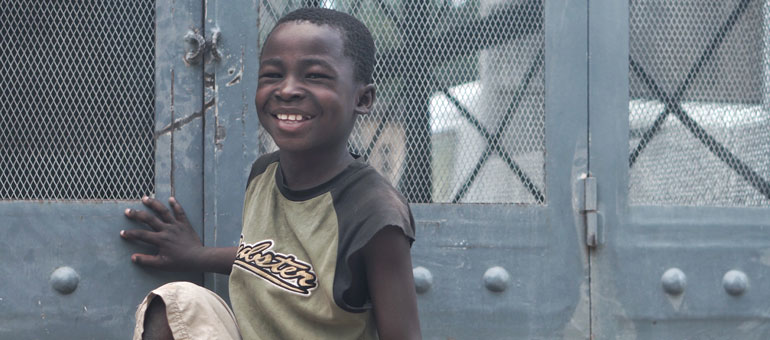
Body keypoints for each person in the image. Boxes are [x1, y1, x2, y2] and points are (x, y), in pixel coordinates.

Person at [120, 7, 421, 340]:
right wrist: (196, 255)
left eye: (315, 76)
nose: (287, 89)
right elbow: (274, 260)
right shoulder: (265, 173)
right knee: (178, 301)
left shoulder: (374, 213)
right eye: (273, 75)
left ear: (362, 99)